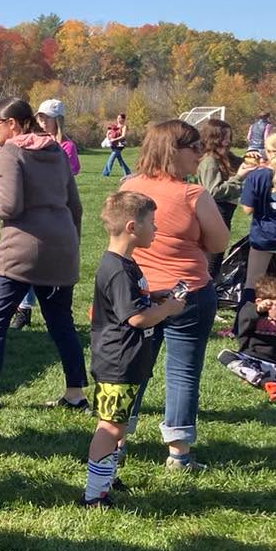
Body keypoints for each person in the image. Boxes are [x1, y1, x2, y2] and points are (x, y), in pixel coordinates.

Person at [117, 119, 229, 471]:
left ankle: (115, 442)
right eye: (194, 148)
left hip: (138, 292)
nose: (200, 154)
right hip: (189, 293)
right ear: (172, 150)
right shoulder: (193, 195)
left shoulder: (127, 187)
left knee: (132, 368)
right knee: (183, 371)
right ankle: (179, 454)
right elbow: (219, 243)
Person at [0, 98, 86, 412]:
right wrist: (72, 244)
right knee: (62, 323)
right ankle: (76, 393)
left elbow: (9, 207)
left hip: (21, 251)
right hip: (62, 246)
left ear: (13, 124)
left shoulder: (10, 152)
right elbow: (76, 206)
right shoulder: (57, 150)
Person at [81, 192, 187, 506]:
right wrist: (167, 309)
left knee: (119, 424)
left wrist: (155, 296)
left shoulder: (125, 264)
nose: (156, 230)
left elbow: (133, 303)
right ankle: (94, 494)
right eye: (152, 224)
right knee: (110, 427)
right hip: (117, 361)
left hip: (127, 360)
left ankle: (107, 479)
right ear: (132, 227)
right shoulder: (115, 269)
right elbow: (137, 318)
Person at [11, 98, 83, 330]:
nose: (41, 122)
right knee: (26, 260)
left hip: (55, 209)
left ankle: (50, 311)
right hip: (33, 207)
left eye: (46, 118)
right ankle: (23, 309)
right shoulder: (31, 142)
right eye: (39, 117)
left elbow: (64, 181)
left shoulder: (66, 147)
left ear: (57, 121)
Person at [218, 276, 276, 396]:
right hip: (253, 362)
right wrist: (258, 309)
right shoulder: (250, 312)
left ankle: (265, 379)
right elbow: (245, 317)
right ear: (260, 302)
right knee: (225, 355)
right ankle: (266, 383)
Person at [240, 128, 276, 290]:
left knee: (253, 285)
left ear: (266, 151)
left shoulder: (257, 176)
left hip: (263, 234)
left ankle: (247, 314)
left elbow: (247, 209)